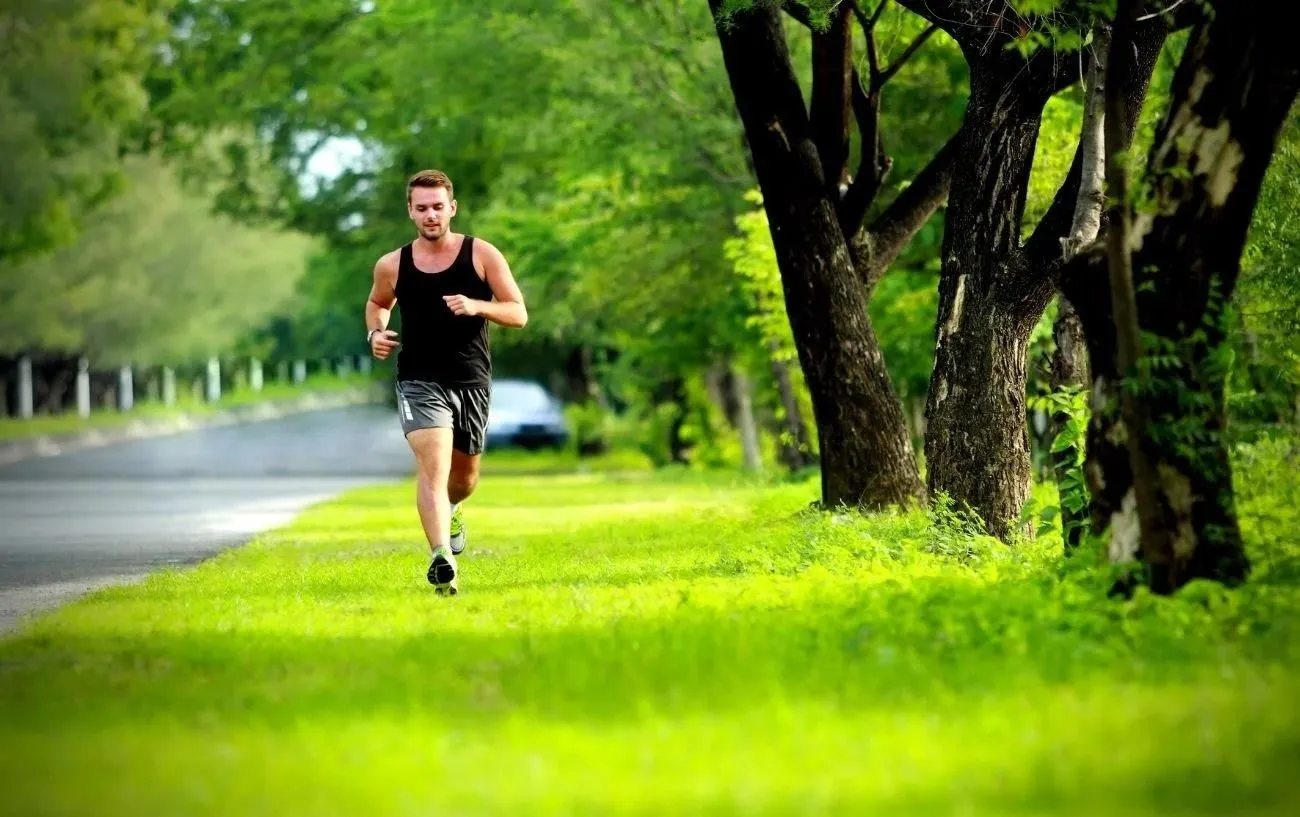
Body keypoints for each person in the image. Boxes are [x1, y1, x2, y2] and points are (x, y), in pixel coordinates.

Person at [364, 169, 527, 594]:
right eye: (422, 208)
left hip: (471, 378)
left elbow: (518, 312)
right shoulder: (392, 264)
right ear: (410, 212)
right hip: (418, 379)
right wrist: (376, 333)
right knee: (432, 469)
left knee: (463, 480)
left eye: (438, 207)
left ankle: (453, 510)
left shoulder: (481, 254)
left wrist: (477, 306)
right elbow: (378, 303)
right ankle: (442, 558)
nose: (431, 215)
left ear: (452, 208)